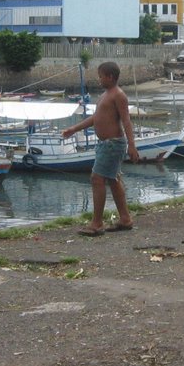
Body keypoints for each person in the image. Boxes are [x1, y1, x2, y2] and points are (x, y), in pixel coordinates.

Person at [62, 61, 139, 236]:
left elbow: (126, 120)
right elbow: (96, 118)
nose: (99, 79)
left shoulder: (118, 95)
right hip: (105, 144)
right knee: (113, 179)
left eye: (101, 76)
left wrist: (132, 145)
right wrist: (74, 129)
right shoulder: (106, 95)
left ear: (110, 77)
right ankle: (125, 219)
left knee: (97, 179)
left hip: (112, 144)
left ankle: (96, 224)